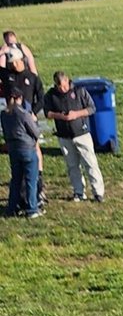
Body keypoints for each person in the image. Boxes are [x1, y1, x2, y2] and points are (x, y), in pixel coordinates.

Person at [44, 71, 106, 203]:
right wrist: (60, 116)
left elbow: (92, 108)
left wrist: (76, 114)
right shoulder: (51, 95)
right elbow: (47, 113)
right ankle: (79, 192)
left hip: (82, 133)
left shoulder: (79, 91)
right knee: (72, 166)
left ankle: (98, 192)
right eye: (60, 87)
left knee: (90, 163)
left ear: (68, 80)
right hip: (64, 136)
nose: (63, 89)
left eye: (64, 86)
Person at [2, 87, 42, 218]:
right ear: (20, 98)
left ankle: (12, 207)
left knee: (16, 180)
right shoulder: (24, 114)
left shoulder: (4, 114)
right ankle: (32, 208)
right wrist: (34, 122)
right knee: (31, 180)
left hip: (13, 149)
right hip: (27, 149)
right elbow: (35, 132)